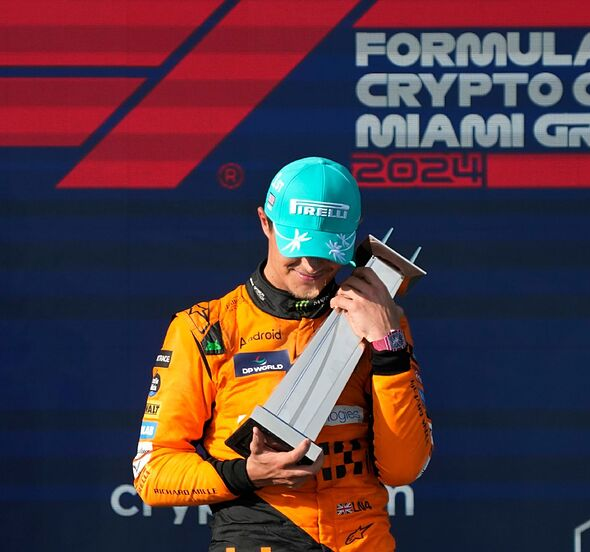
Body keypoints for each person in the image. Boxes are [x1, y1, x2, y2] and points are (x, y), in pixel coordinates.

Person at [132, 157, 433, 551]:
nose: (310, 265)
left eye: (325, 251)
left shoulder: (380, 320)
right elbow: (152, 472)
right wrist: (246, 474)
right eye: (298, 247)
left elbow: (404, 469)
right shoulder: (206, 328)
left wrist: (388, 345)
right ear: (265, 223)